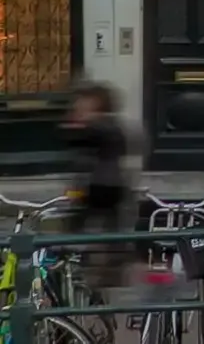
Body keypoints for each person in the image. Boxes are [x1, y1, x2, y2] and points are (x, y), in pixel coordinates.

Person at [60, 82, 134, 296]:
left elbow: (73, 139)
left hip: (95, 185)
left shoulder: (97, 126)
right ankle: (111, 269)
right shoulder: (113, 125)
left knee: (79, 225)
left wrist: (76, 124)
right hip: (112, 183)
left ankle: (73, 264)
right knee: (111, 228)